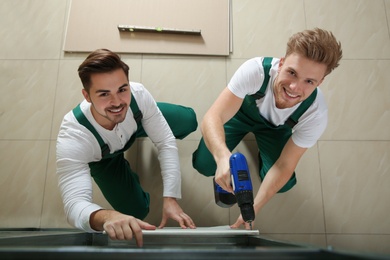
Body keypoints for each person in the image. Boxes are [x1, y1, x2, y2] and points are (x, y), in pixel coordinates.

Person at [192, 28, 342, 229]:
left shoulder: (316, 114)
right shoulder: (255, 71)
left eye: (309, 81)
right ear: (281, 63)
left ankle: (264, 155)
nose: (295, 88)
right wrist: (221, 156)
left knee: (282, 184)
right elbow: (213, 116)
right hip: (242, 114)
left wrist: (255, 206)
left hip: (277, 129)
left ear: (320, 82)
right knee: (204, 164)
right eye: (292, 72)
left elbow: (284, 166)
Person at [56, 49, 198, 247]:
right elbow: (73, 205)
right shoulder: (73, 136)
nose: (117, 102)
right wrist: (107, 217)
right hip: (103, 158)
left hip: (134, 125)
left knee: (189, 120)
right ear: (87, 96)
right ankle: (125, 172)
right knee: (137, 212)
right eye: (104, 94)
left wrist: (170, 197)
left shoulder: (138, 95)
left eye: (122, 89)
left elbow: (165, 141)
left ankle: (146, 124)